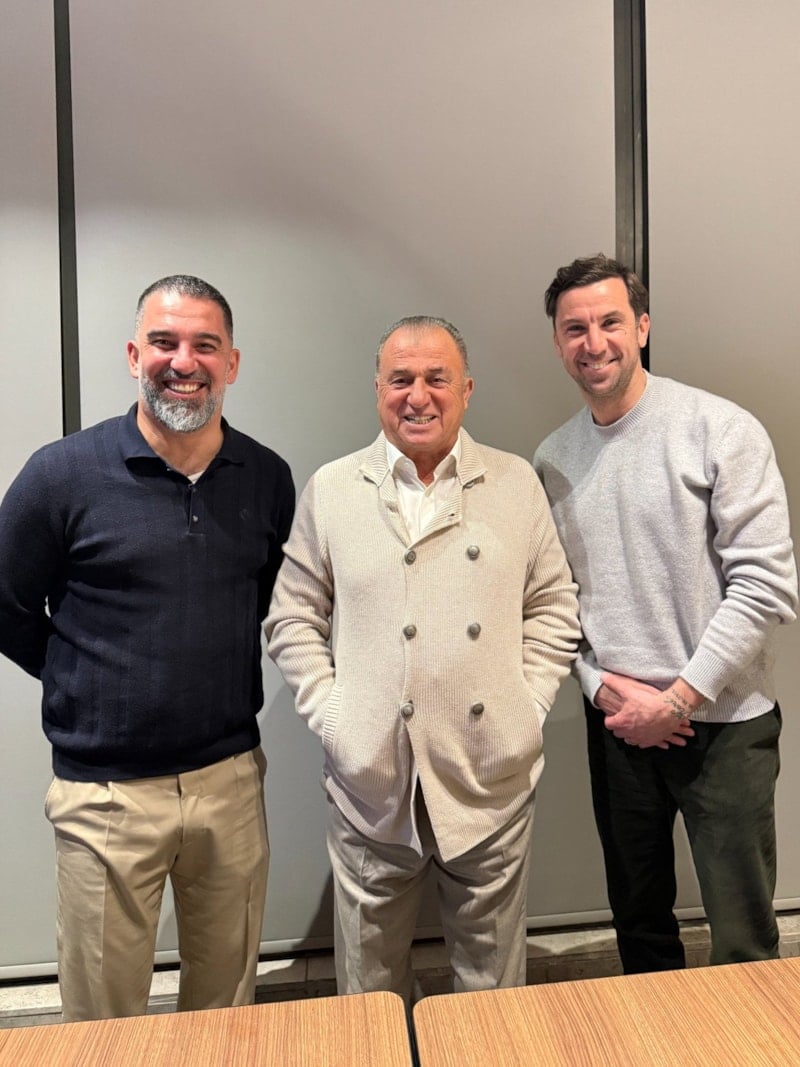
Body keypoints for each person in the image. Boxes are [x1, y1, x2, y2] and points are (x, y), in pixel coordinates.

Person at [0, 275, 295, 1020]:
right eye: (164, 342)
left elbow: (264, 602)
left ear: (232, 363)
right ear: (135, 355)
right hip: (105, 796)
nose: (183, 362)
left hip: (230, 784)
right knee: (104, 1023)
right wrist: (79, 675)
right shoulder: (60, 474)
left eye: (205, 345)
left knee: (226, 1009)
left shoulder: (266, 477)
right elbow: (5, 605)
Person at [266, 315, 580, 1004]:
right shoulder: (334, 487)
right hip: (371, 786)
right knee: (369, 992)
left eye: (437, 378)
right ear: (377, 388)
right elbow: (291, 616)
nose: (418, 395)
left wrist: (526, 709)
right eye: (400, 379)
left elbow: (555, 606)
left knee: (491, 993)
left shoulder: (514, 482)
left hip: (490, 779)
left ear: (466, 388)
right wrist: (335, 718)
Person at [533, 254, 798, 974]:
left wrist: (679, 698)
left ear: (643, 326)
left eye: (611, 322)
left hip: (726, 726)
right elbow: (555, 603)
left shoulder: (720, 429)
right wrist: (600, 689)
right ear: (557, 342)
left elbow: (766, 585)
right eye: (575, 328)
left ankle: (753, 1033)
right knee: (639, 926)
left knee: (743, 936)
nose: (594, 343)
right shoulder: (553, 458)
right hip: (619, 726)